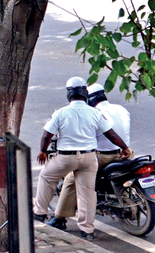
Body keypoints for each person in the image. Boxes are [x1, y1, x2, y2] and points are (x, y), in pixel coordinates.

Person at [33, 77, 132, 241]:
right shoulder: (95, 113)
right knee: (87, 193)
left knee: (46, 176)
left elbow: (47, 135)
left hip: (65, 158)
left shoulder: (61, 112)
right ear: (85, 93)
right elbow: (111, 134)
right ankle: (87, 230)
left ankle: (40, 213)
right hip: (89, 158)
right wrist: (125, 147)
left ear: (69, 94)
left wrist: (43, 151)